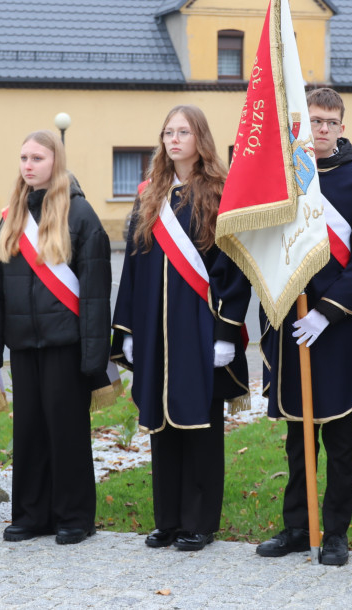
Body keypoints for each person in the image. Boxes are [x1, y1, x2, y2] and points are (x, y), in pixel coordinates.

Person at [255, 87, 352, 566]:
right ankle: (297, 526)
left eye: (330, 122)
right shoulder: (287, 178)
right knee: (298, 434)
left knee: (338, 435)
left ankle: (334, 531)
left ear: (341, 126)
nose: (322, 129)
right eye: (314, 120)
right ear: (302, 123)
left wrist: (327, 311)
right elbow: (266, 243)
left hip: (338, 326)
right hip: (291, 322)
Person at [111, 104, 251, 552]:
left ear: (200, 139)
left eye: (183, 132)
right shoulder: (149, 193)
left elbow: (234, 267)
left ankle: (200, 522)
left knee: (200, 427)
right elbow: (134, 266)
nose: (174, 140)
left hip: (199, 328)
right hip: (154, 326)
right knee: (162, 427)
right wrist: (129, 329)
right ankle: (167, 520)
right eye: (168, 132)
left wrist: (227, 333)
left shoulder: (221, 192)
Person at [0, 130, 113, 545]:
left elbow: (93, 293)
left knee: (67, 432)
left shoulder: (81, 214)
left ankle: (74, 516)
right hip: (24, 344)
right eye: (23, 158)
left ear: (56, 161)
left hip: (65, 345)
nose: (28, 165)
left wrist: (95, 356)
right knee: (30, 433)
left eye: (37, 157)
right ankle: (31, 514)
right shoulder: (12, 216)